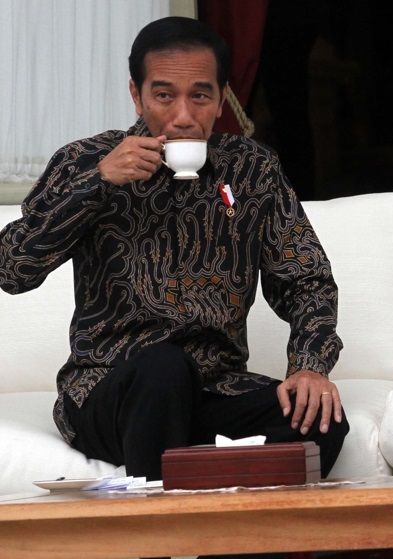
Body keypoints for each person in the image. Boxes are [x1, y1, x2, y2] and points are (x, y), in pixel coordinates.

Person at [0, 16, 349, 486]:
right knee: (163, 367)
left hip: (214, 388)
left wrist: (309, 367)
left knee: (321, 421)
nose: (183, 116)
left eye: (200, 96)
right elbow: (12, 269)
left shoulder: (252, 170)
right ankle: (162, 521)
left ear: (222, 99)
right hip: (110, 392)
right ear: (137, 95)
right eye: (164, 96)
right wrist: (98, 183)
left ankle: (197, 500)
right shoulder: (86, 161)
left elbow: (307, 281)